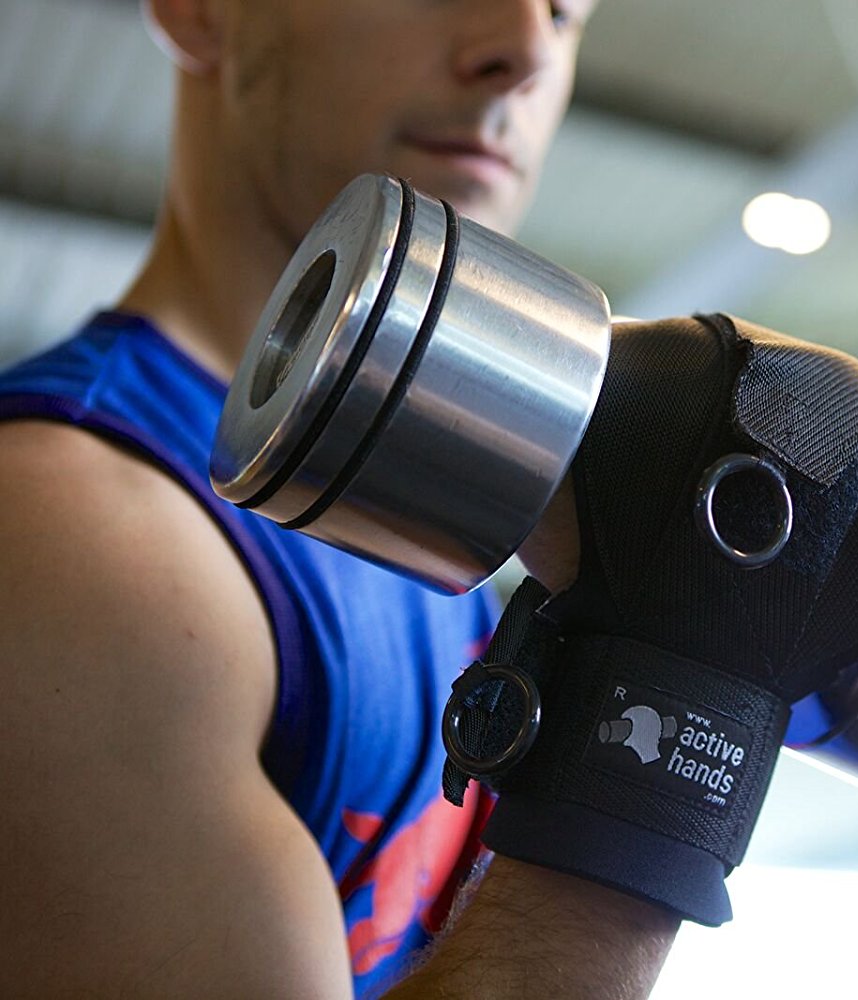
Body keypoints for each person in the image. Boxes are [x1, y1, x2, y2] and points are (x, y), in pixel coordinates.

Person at [0, 1, 683, 996]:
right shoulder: (73, 535)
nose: (526, 49)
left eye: (566, 7)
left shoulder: (420, 527)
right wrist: (656, 781)